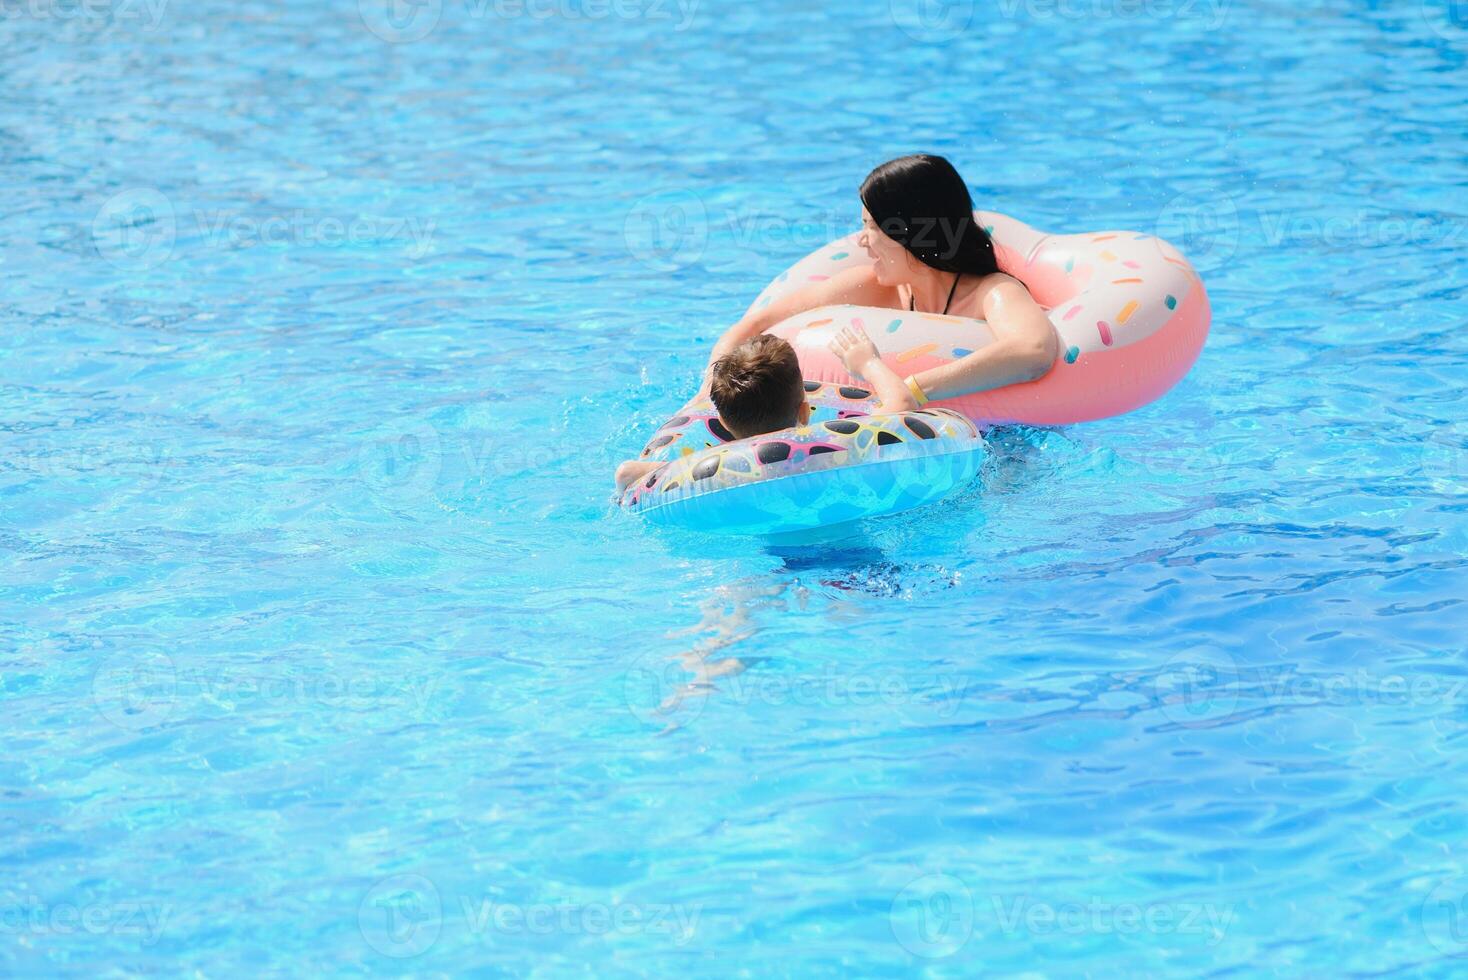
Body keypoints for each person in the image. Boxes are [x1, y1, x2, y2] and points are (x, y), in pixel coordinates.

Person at [702, 153, 1059, 407]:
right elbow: (757, 324)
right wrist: (707, 392)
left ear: (914, 233)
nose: (862, 240)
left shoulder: (991, 293)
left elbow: (1033, 351)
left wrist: (911, 389)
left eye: (873, 227)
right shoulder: (871, 287)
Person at [614, 330, 915, 490]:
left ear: (722, 422)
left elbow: (626, 473)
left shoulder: (724, 471)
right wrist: (868, 363)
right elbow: (903, 408)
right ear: (805, 412)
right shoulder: (836, 449)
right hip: (848, 547)